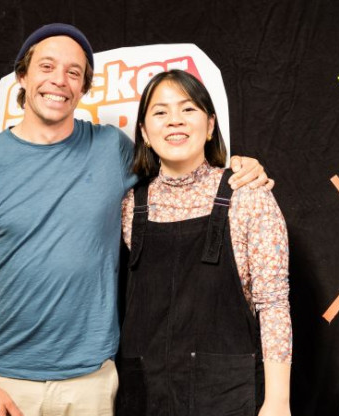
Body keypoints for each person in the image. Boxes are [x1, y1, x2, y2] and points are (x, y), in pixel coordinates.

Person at [0, 23, 270, 416]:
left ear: (84, 87)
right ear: (23, 76)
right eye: (46, 67)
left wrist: (240, 167)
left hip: (93, 381)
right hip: (8, 380)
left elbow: (181, 170)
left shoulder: (111, 149)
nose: (59, 80)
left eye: (73, 72)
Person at [115, 70, 291, 416]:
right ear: (144, 133)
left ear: (210, 125)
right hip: (146, 398)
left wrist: (277, 402)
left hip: (226, 399)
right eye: (160, 112)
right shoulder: (129, 207)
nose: (175, 121)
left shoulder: (248, 196)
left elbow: (273, 305)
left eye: (188, 109)